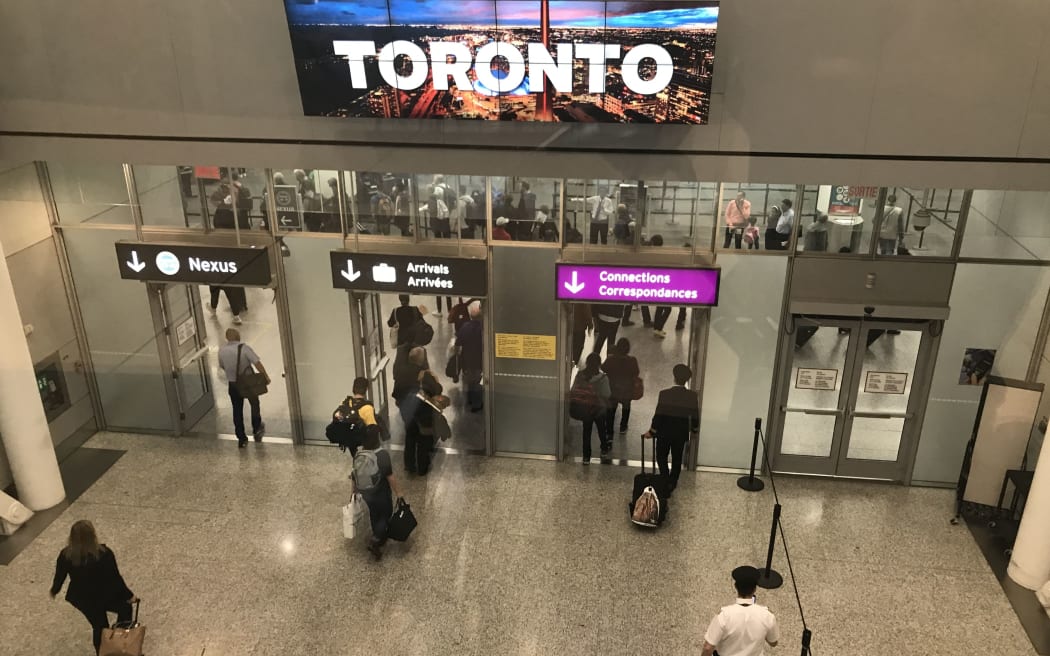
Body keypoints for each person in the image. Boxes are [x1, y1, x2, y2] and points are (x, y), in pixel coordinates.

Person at [50, 520, 138, 655]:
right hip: (106, 595)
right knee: (125, 608)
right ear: (93, 535)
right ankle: (120, 641)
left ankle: (102, 653)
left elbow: (60, 576)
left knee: (99, 626)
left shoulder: (66, 555)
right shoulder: (104, 554)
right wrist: (129, 595)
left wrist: (54, 590)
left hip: (84, 599)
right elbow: (115, 579)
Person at [644, 364, 699, 494]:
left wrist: (652, 431)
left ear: (674, 377)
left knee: (661, 456)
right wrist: (694, 429)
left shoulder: (664, 394)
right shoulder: (692, 396)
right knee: (677, 458)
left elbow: (659, 415)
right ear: (686, 380)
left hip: (664, 433)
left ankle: (664, 477)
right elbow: (694, 415)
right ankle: (672, 482)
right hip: (680, 433)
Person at [701, 566, 780, 656]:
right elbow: (773, 643)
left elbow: (707, 648)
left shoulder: (724, 616)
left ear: (736, 587)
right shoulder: (767, 616)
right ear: (755, 589)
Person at [353, 425, 405, 561]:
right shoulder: (382, 455)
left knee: (374, 512)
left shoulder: (359, 454)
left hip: (365, 492)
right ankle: (376, 540)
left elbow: (353, 475)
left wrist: (353, 492)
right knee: (385, 514)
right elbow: (390, 476)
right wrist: (399, 493)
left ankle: (378, 534)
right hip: (380, 492)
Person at [218, 327, 270, 447]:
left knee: (237, 409)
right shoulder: (244, 348)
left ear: (227, 338)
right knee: (254, 404)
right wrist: (265, 376)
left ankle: (241, 438)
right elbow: (257, 363)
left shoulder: (222, 351)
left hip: (233, 384)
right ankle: (256, 428)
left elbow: (222, 366)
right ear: (238, 336)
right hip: (248, 383)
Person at [573, 352, 611, 464]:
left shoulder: (580, 375)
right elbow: (607, 394)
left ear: (587, 362)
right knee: (601, 429)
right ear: (599, 364)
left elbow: (575, 389)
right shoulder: (603, 378)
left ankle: (586, 457)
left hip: (585, 408)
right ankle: (604, 449)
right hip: (599, 409)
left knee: (586, 431)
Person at [406, 367, 443, 474]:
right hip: (424, 420)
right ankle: (422, 468)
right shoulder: (432, 389)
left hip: (412, 417)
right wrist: (436, 379)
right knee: (424, 444)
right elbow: (439, 389)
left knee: (410, 441)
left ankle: (409, 465)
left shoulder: (415, 387)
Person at [332, 376, 379, 456]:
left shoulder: (345, 402)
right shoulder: (367, 408)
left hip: (349, 439)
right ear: (366, 390)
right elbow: (372, 430)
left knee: (356, 456)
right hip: (362, 442)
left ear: (353, 388)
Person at [602, 338, 639, 437]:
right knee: (626, 407)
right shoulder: (632, 360)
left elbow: (603, 369)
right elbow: (636, 373)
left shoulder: (610, 360)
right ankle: (623, 426)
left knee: (611, 411)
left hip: (613, 389)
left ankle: (609, 432)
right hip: (627, 390)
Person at [456, 300, 484, 412]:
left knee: (469, 381)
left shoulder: (465, 327)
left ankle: (469, 400)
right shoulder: (484, 329)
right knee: (477, 383)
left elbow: (458, 345)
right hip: (479, 361)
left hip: (466, 361)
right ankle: (476, 405)